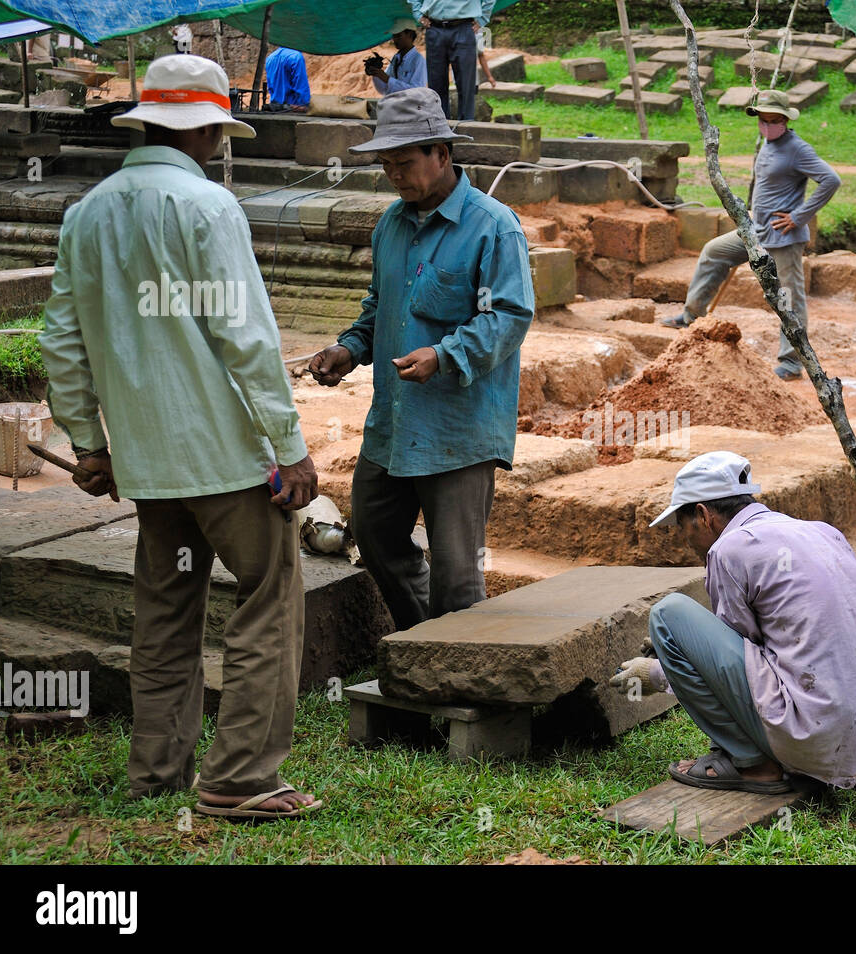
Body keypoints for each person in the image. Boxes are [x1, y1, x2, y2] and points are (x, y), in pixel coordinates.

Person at [40, 55, 321, 820]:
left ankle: (157, 773)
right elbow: (249, 340)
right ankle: (241, 779)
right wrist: (289, 446)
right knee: (268, 599)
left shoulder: (87, 212)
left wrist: (90, 444)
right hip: (227, 458)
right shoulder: (208, 207)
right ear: (203, 129)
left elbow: (60, 340)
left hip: (149, 463)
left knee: (165, 615)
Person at [306, 88, 534, 629]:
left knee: (458, 578)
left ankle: (458, 688)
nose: (395, 176)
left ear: (442, 153)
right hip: (394, 423)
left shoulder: (493, 226)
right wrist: (350, 347)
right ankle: (425, 644)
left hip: (457, 430)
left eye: (405, 163)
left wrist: (445, 354)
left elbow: (509, 316)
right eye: (386, 165)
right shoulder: (391, 224)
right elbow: (379, 306)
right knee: (376, 535)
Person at [613, 452, 856, 793]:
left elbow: (739, 663)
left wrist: (657, 674)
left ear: (703, 515)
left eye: (683, 528)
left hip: (810, 732)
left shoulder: (729, 549)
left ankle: (754, 765)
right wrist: (691, 649)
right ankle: (789, 755)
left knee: (667, 615)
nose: (685, 541)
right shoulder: (819, 532)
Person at [661, 89, 840, 380]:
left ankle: (792, 363)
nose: (767, 125)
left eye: (773, 120)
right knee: (713, 253)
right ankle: (691, 316)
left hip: (783, 239)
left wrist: (798, 217)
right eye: (762, 120)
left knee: (788, 298)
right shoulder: (766, 143)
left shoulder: (798, 149)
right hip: (755, 231)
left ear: (784, 119)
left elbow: (831, 180)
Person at [418, 0, 496, 120]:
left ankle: (467, 126)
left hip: (463, 27)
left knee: (466, 84)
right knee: (436, 83)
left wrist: (482, 18)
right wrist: (417, 13)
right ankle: (440, 129)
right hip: (434, 27)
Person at [368, 17, 428, 95]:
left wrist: (387, 79)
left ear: (409, 35)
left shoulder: (418, 60)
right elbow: (384, 90)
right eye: (394, 36)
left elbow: (417, 92)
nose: (395, 40)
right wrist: (376, 74)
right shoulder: (396, 59)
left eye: (399, 36)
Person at [264, 45, 311, 112]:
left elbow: (270, 85)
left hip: (274, 108)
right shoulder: (296, 56)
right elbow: (301, 86)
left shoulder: (270, 58)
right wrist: (306, 105)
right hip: (292, 108)